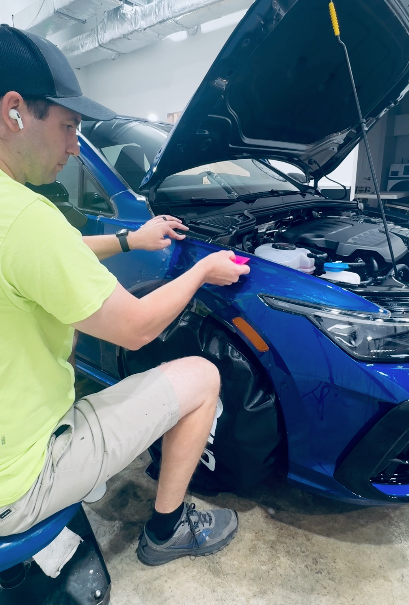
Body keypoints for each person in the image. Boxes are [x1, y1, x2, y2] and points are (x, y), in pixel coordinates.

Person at [0, 25, 250, 566]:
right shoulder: (27, 217)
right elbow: (138, 328)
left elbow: (46, 254)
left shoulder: (14, 214)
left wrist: (129, 237)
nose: (72, 146)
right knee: (203, 377)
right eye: (68, 127)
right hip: (14, 485)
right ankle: (167, 531)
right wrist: (203, 270)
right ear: (14, 111)